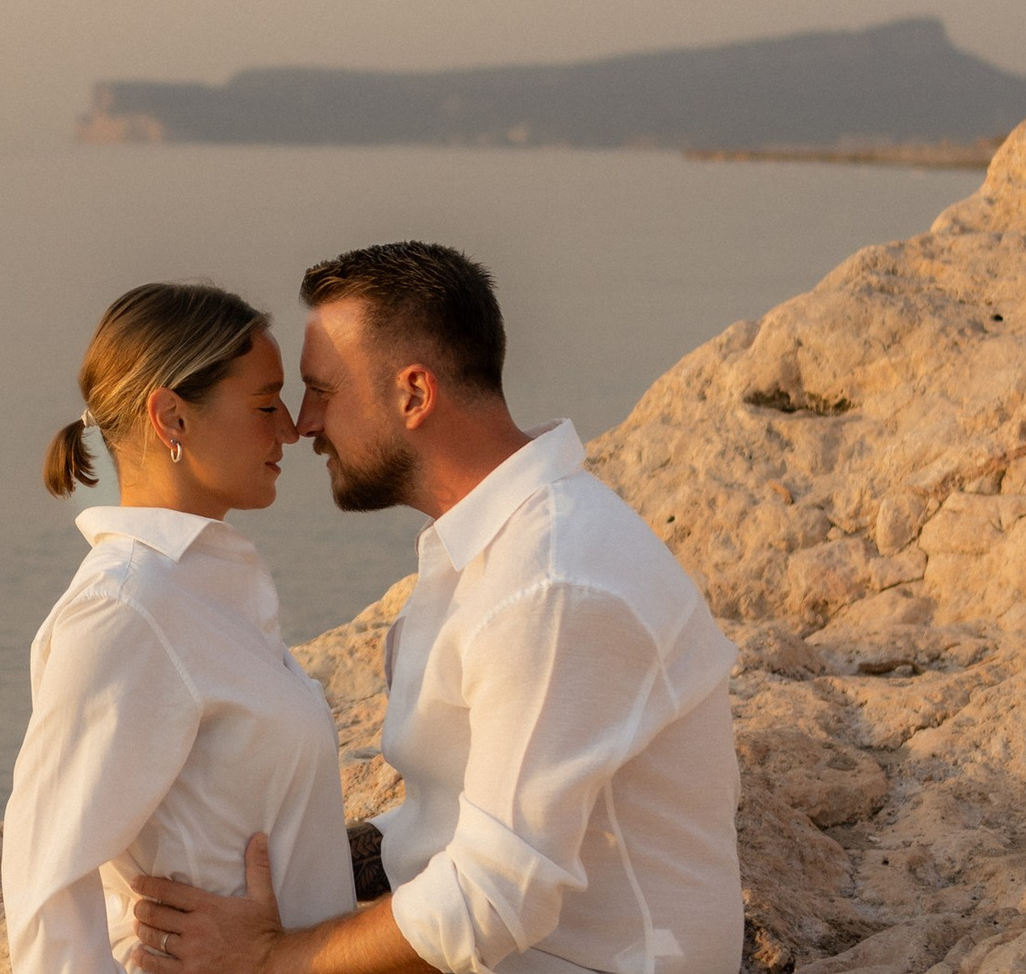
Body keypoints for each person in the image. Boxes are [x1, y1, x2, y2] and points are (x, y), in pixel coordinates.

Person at [129, 243, 742, 974]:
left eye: (321, 390)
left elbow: (496, 897)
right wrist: (296, 867)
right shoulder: (490, 543)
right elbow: (452, 817)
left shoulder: (550, 584)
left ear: (414, 394)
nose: (301, 423)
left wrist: (270, 958)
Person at [2, 282, 358, 974]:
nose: (290, 428)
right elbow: (46, 877)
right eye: (265, 404)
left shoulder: (201, 587)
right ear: (172, 418)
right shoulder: (125, 608)